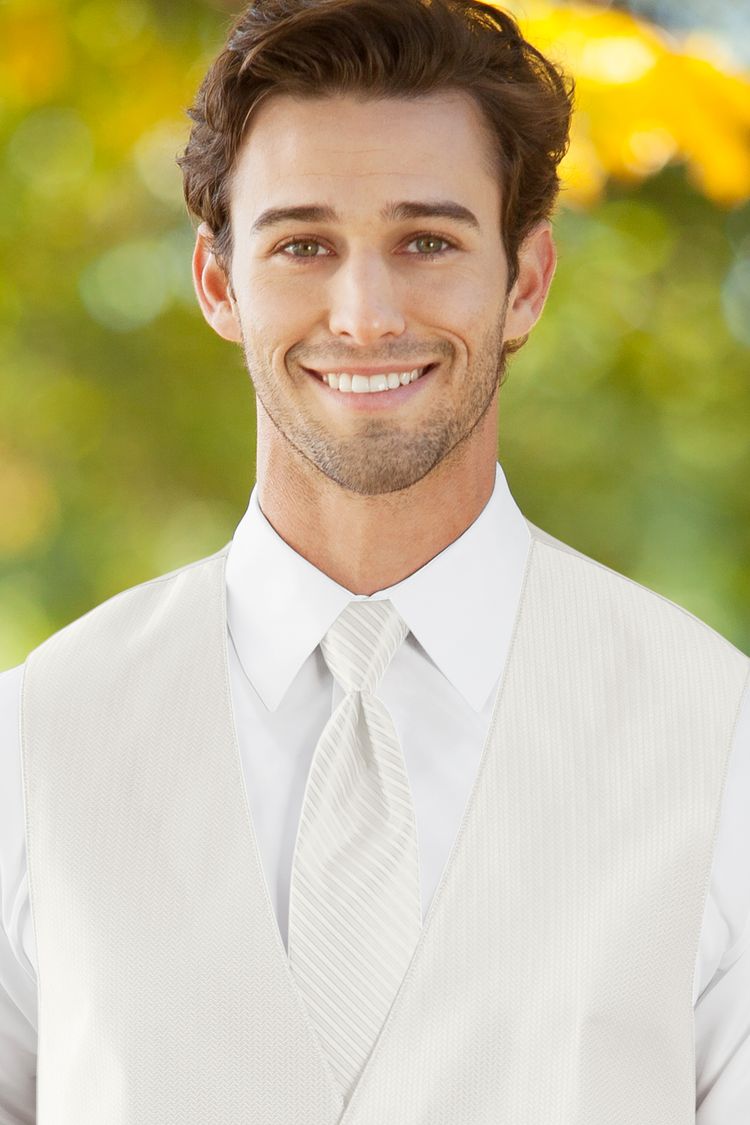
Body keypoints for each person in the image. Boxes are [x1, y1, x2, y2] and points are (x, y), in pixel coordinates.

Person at [0, 0, 748, 1120]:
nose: (363, 315)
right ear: (220, 283)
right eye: (303, 245)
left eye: (427, 242)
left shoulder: (721, 745)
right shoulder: (35, 741)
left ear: (526, 281)